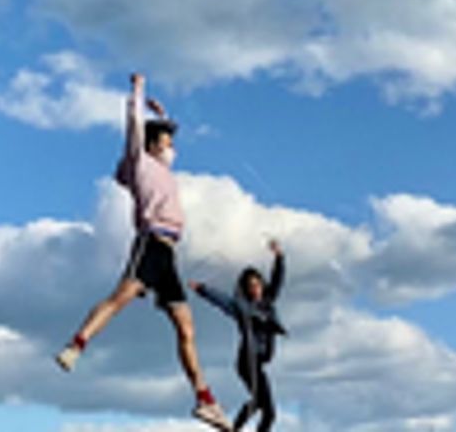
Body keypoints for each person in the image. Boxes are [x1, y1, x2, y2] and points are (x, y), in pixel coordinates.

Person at [54, 72, 231, 431]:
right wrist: (138, 91)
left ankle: (206, 402)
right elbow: (134, 125)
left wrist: (163, 116)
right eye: (165, 143)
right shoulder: (140, 162)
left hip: (169, 254)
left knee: (186, 329)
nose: (171, 149)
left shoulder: (163, 170)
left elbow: (157, 131)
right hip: (150, 243)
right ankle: (76, 344)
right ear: (151, 146)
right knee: (121, 297)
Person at [190, 240, 286, 432]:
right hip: (247, 361)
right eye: (251, 286)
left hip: (257, 362)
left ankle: (233, 429)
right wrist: (203, 289)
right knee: (269, 411)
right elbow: (223, 301)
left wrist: (279, 257)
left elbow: (277, 281)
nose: (255, 289)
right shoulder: (243, 308)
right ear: (246, 289)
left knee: (260, 405)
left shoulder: (268, 303)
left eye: (258, 285)